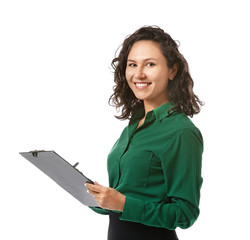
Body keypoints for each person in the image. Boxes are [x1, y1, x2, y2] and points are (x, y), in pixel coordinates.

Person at [86, 26, 203, 240]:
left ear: (172, 70)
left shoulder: (181, 132)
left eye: (150, 64)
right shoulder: (134, 124)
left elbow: (185, 213)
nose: (138, 74)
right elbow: (131, 196)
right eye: (132, 65)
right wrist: (102, 199)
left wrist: (122, 203)